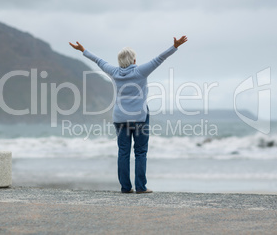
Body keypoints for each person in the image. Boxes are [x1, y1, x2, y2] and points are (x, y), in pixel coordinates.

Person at [69, 36, 188, 194]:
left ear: (120, 61)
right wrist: (174, 46)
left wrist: (83, 50)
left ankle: (126, 187)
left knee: (123, 152)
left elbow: (98, 61)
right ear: (133, 60)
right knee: (140, 152)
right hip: (139, 118)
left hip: (120, 118)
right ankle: (140, 187)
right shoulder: (140, 71)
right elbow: (160, 58)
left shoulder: (114, 72)